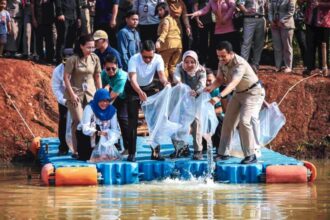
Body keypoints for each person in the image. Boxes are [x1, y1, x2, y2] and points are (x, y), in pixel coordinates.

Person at [205, 41, 265, 164]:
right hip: (239, 93)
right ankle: (223, 153)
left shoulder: (240, 64)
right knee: (228, 121)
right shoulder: (222, 62)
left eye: (223, 56)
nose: (221, 59)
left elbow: (232, 84)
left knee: (244, 121)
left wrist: (219, 96)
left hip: (253, 93)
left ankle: (250, 155)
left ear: (231, 54)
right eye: (219, 56)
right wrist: (210, 88)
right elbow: (220, 80)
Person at [126, 40, 170, 162]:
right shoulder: (133, 59)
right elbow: (133, 79)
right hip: (133, 88)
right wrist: (139, 92)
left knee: (154, 121)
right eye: (145, 57)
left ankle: (156, 152)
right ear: (140, 53)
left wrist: (166, 82)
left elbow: (161, 75)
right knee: (132, 121)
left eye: (150, 57)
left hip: (149, 87)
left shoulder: (158, 58)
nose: (148, 60)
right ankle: (132, 153)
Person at [63, 34, 102, 158]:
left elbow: (97, 76)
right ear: (81, 46)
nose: (91, 50)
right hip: (76, 94)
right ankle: (76, 150)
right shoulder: (72, 59)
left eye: (93, 47)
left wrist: (100, 93)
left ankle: (88, 149)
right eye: (88, 47)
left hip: (90, 94)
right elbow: (66, 78)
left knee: (90, 122)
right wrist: (71, 94)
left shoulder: (95, 58)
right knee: (79, 121)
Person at [171, 50, 206, 160]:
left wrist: (196, 91)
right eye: (186, 62)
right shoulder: (179, 67)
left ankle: (198, 150)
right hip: (182, 98)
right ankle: (181, 148)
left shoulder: (201, 70)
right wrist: (179, 84)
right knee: (177, 122)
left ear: (196, 62)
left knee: (196, 123)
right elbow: (176, 78)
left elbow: (202, 84)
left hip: (197, 98)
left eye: (192, 62)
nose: (189, 65)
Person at [187, 0, 240, 70]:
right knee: (217, 50)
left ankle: (235, 67)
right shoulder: (211, 2)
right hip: (218, 30)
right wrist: (196, 13)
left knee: (231, 50)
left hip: (230, 29)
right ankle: (219, 69)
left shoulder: (228, 1)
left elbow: (233, 7)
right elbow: (204, 10)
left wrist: (225, 18)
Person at [77, 88, 120, 161]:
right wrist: (99, 133)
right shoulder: (89, 108)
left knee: (111, 134)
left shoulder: (112, 111)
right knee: (87, 158)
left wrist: (109, 135)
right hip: (87, 136)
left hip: (104, 136)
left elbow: (114, 129)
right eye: (101, 101)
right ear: (97, 100)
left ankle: (104, 153)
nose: (104, 103)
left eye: (107, 101)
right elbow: (85, 129)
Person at [101, 54, 129, 155]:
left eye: (113, 68)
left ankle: (128, 147)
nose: (111, 71)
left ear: (117, 66)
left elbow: (113, 95)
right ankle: (115, 145)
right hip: (116, 95)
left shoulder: (121, 77)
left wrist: (103, 105)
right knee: (110, 118)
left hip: (127, 96)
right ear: (104, 67)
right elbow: (101, 87)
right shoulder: (103, 73)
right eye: (108, 69)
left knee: (122, 118)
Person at [51, 49, 73, 155]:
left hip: (79, 98)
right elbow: (56, 88)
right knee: (63, 120)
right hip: (64, 99)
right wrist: (64, 101)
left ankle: (79, 148)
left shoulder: (80, 67)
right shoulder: (57, 71)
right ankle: (63, 147)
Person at [155, 2, 182, 82]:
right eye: (158, 10)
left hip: (168, 46)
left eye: (161, 10)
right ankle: (178, 84)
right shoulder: (173, 19)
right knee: (173, 66)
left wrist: (159, 41)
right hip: (178, 46)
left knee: (164, 66)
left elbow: (165, 32)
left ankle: (167, 85)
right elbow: (179, 32)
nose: (159, 12)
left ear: (166, 10)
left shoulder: (166, 20)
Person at [237, 0, 267, 73]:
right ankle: (243, 65)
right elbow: (240, 4)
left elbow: (266, 5)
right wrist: (246, 11)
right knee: (246, 42)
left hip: (261, 18)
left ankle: (255, 64)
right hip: (249, 19)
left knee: (259, 43)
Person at [303, 0, 330, 76]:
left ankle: (323, 68)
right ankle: (310, 68)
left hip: (324, 23)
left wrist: (319, 4)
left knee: (323, 46)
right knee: (310, 45)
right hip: (310, 22)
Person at [269, 0, 296, 73]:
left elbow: (291, 12)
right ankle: (278, 66)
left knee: (287, 46)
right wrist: (271, 20)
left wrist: (281, 21)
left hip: (286, 25)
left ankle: (288, 66)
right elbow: (270, 10)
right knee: (277, 46)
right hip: (274, 25)